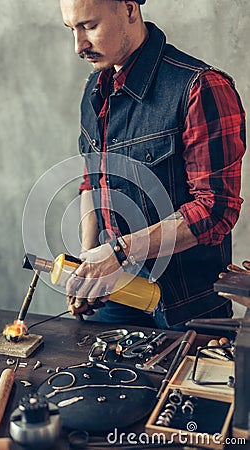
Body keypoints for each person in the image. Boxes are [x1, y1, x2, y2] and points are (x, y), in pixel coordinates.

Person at [60, 0, 246, 329]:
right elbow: (93, 182)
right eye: (71, 29)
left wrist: (118, 252)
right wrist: (87, 265)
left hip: (185, 306)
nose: (79, 46)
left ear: (130, 10)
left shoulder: (200, 87)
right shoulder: (95, 88)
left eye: (89, 26)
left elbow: (216, 210)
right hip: (116, 291)